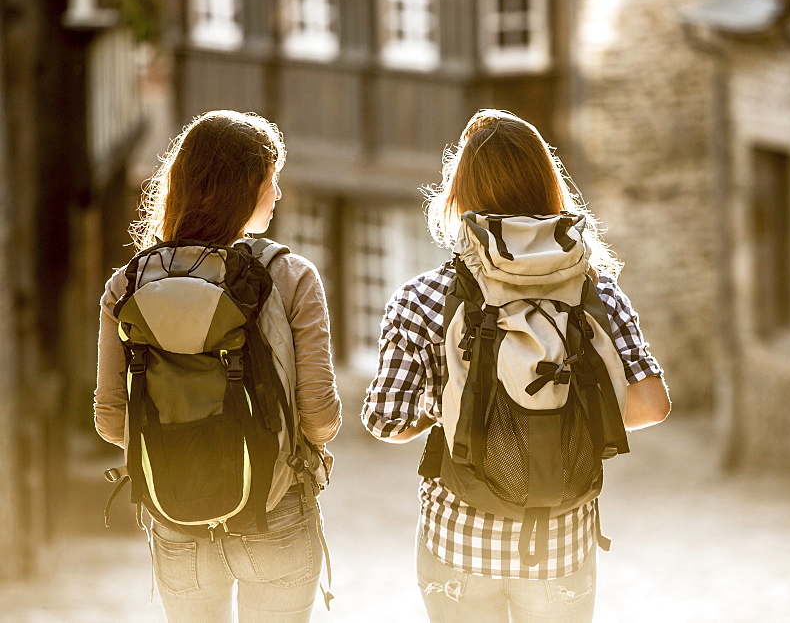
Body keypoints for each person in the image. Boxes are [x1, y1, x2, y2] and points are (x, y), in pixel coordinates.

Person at [362, 109, 670, 622]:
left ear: (458, 198)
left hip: (457, 540)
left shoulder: (424, 297)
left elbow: (386, 421)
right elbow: (651, 405)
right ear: (549, 186)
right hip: (560, 543)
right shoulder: (596, 291)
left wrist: (458, 402)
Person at [94, 110, 341, 622]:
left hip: (175, 516)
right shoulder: (290, 277)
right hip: (276, 515)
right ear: (248, 188)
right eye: (271, 181)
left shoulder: (127, 286)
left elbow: (111, 421)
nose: (277, 195)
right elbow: (320, 417)